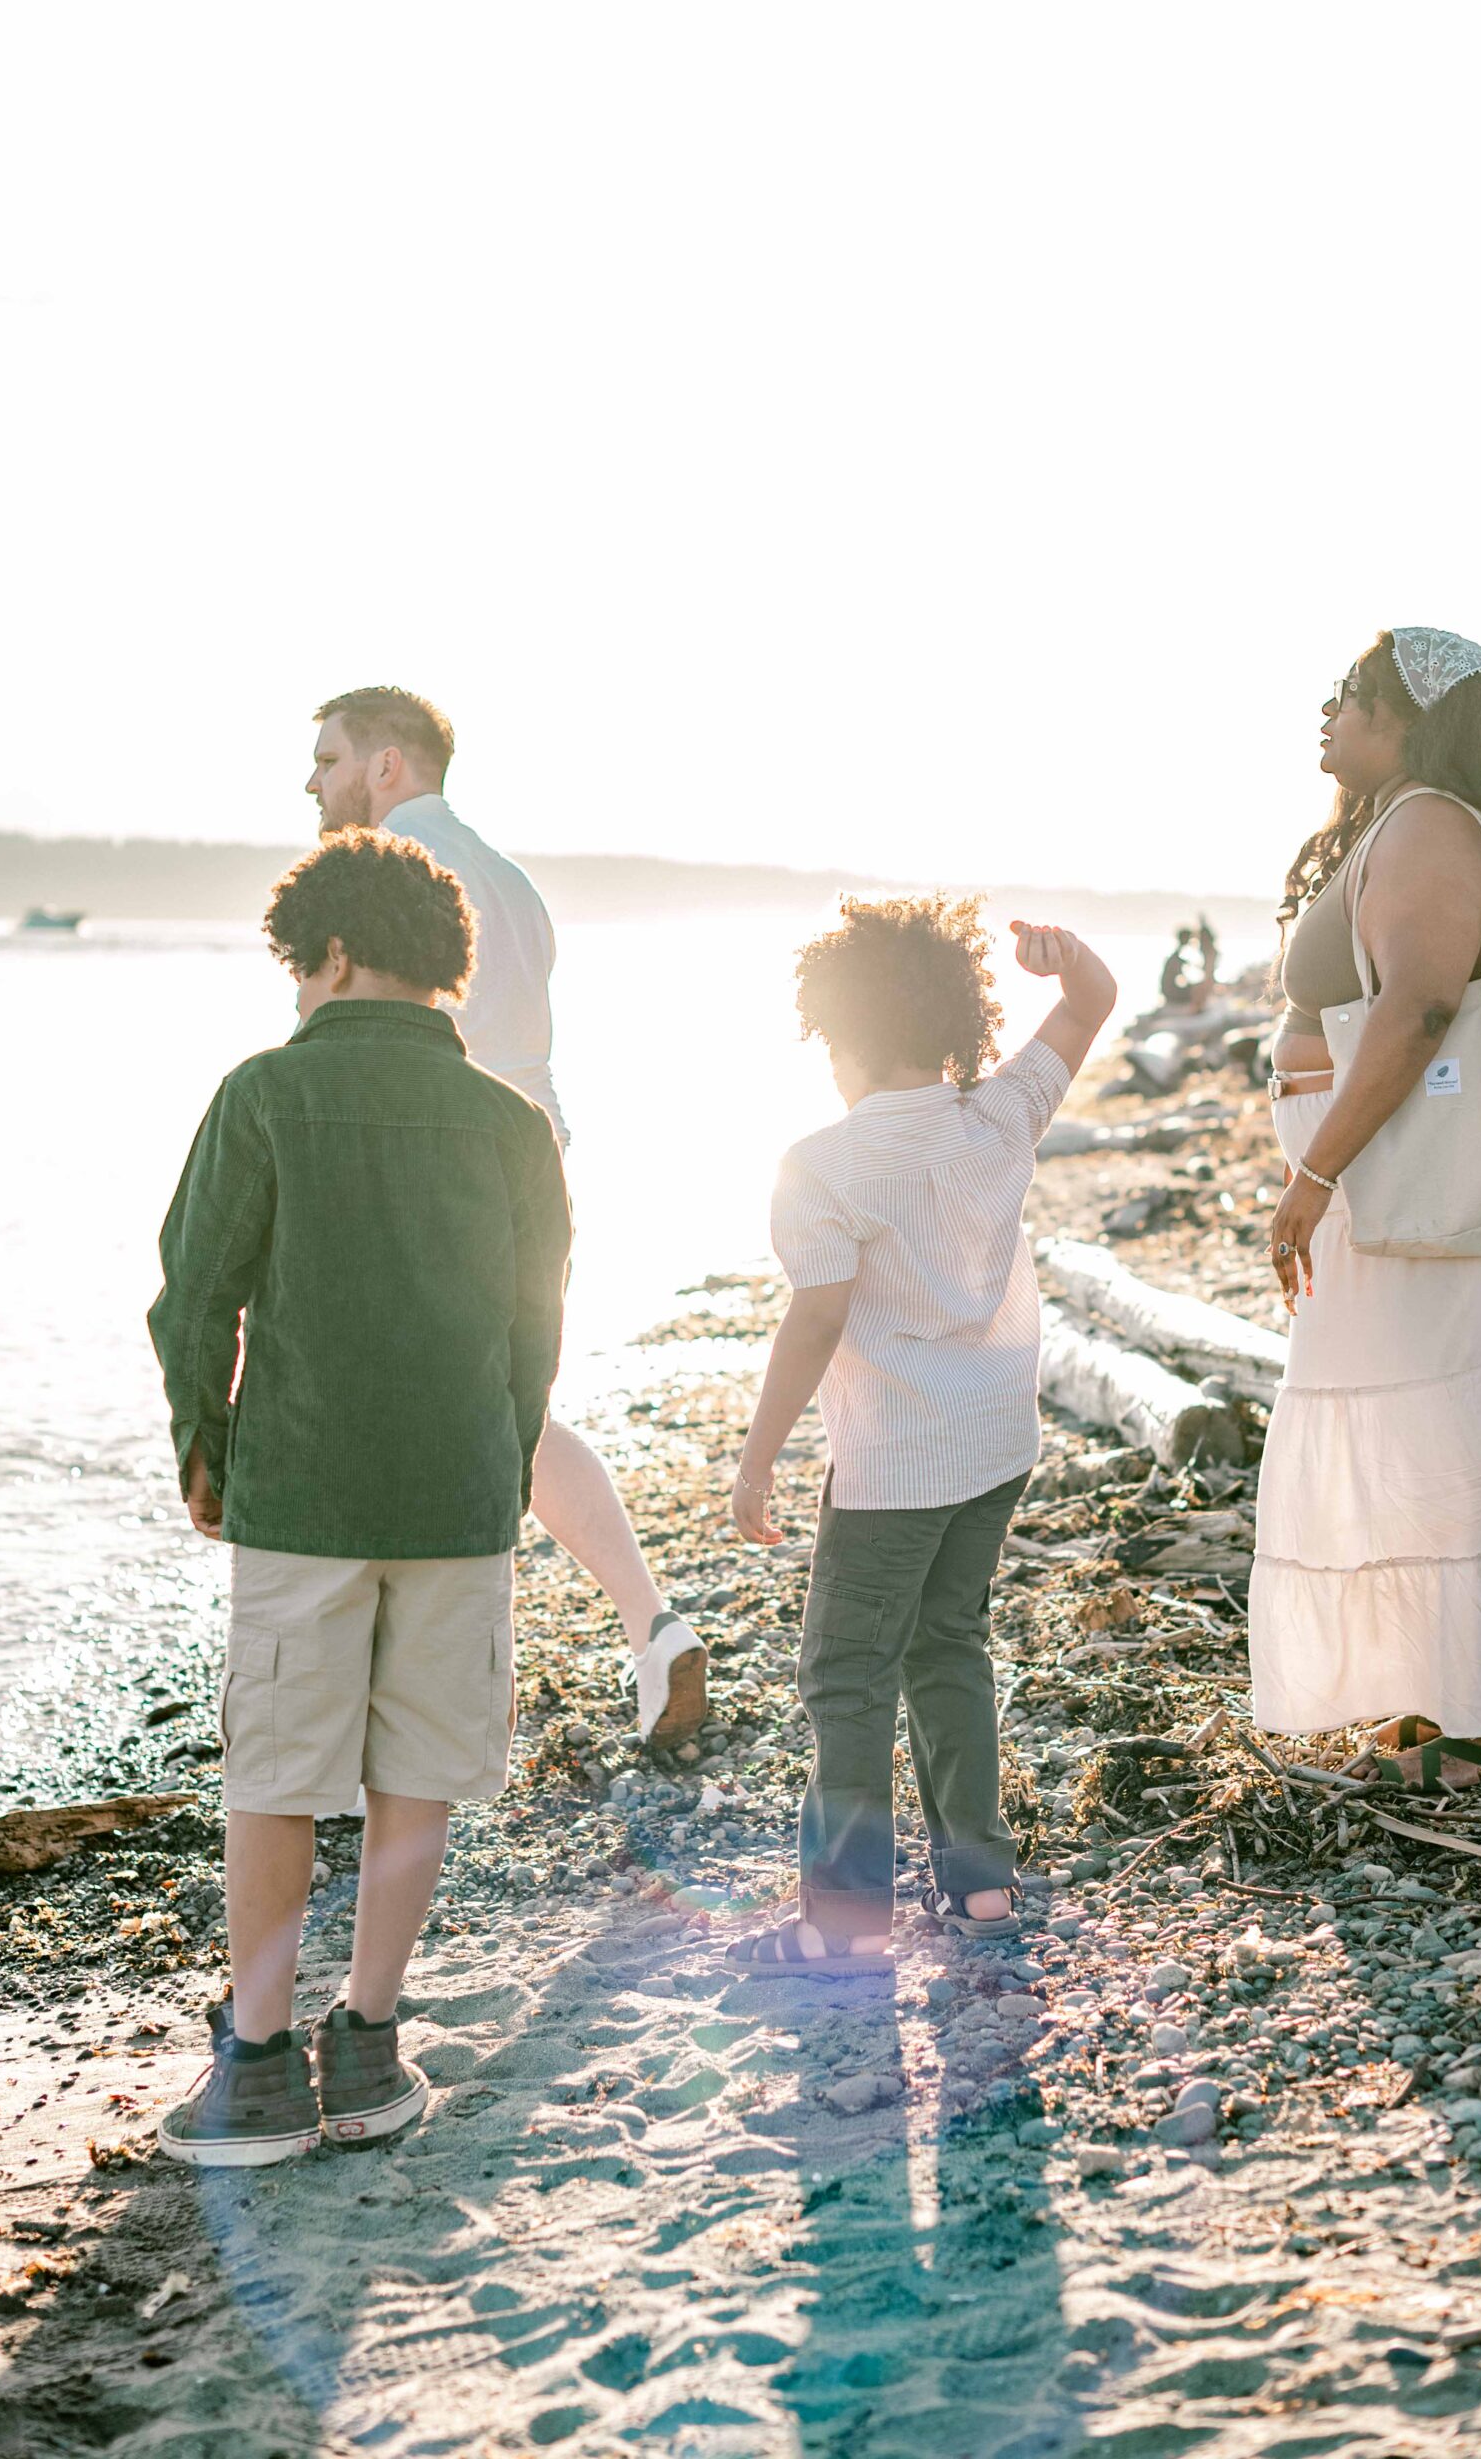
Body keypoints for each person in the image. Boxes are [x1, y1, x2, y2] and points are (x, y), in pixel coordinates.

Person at [147, 829, 571, 2164]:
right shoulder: (512, 1123)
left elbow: (193, 1298)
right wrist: (500, 1464)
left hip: (306, 1498)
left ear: (333, 953)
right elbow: (536, 1325)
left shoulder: (265, 1096)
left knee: (275, 1776)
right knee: (414, 1776)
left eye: (299, 969)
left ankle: (260, 2067)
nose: (295, 994)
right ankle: (371, 2049)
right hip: (454, 1501)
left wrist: (203, 1443)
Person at [304, 687, 707, 1745]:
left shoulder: (379, 878)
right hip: (537, 1150)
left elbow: (348, 1045)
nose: (313, 780)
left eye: (328, 757)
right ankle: (649, 1627)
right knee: (506, 1405)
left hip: (433, 1162)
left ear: (387, 766)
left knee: (392, 1412)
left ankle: (384, 1694)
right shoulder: (515, 880)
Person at [724, 896, 1117, 1974]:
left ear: (834, 1031)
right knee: (947, 1646)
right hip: (993, 1445)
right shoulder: (997, 1114)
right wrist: (1057, 958)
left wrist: (757, 1458)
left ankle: (844, 1921)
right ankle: (980, 1889)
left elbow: (814, 1318)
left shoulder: (823, 1164)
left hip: (893, 1462)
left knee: (846, 1674)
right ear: (952, 1015)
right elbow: (1092, 1003)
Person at [1253, 627, 1481, 1786]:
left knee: (1455, 1431)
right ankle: (1447, 1696)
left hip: (1432, 1169)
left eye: (1349, 691)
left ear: (1408, 717)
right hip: (1415, 1172)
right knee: (1429, 1430)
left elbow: (1419, 1008)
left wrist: (1311, 1175)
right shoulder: (1405, 816)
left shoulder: (1430, 818)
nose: (1327, 709)